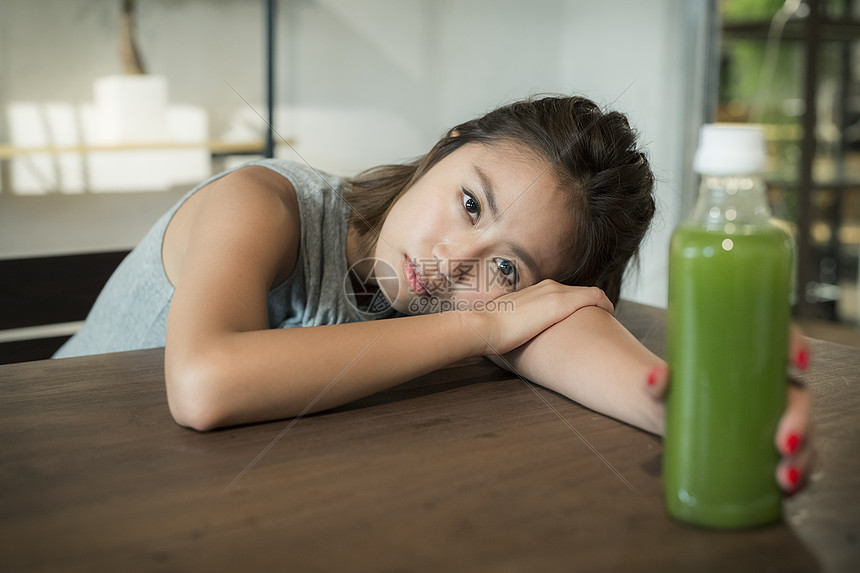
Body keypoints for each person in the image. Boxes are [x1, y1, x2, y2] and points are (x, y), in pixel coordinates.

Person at [53, 95, 811, 494]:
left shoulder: (465, 301)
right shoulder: (264, 203)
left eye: (506, 269)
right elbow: (202, 386)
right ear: (448, 144)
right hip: (57, 472)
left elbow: (562, 331)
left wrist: (699, 412)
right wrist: (487, 324)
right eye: (471, 203)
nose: (452, 263)